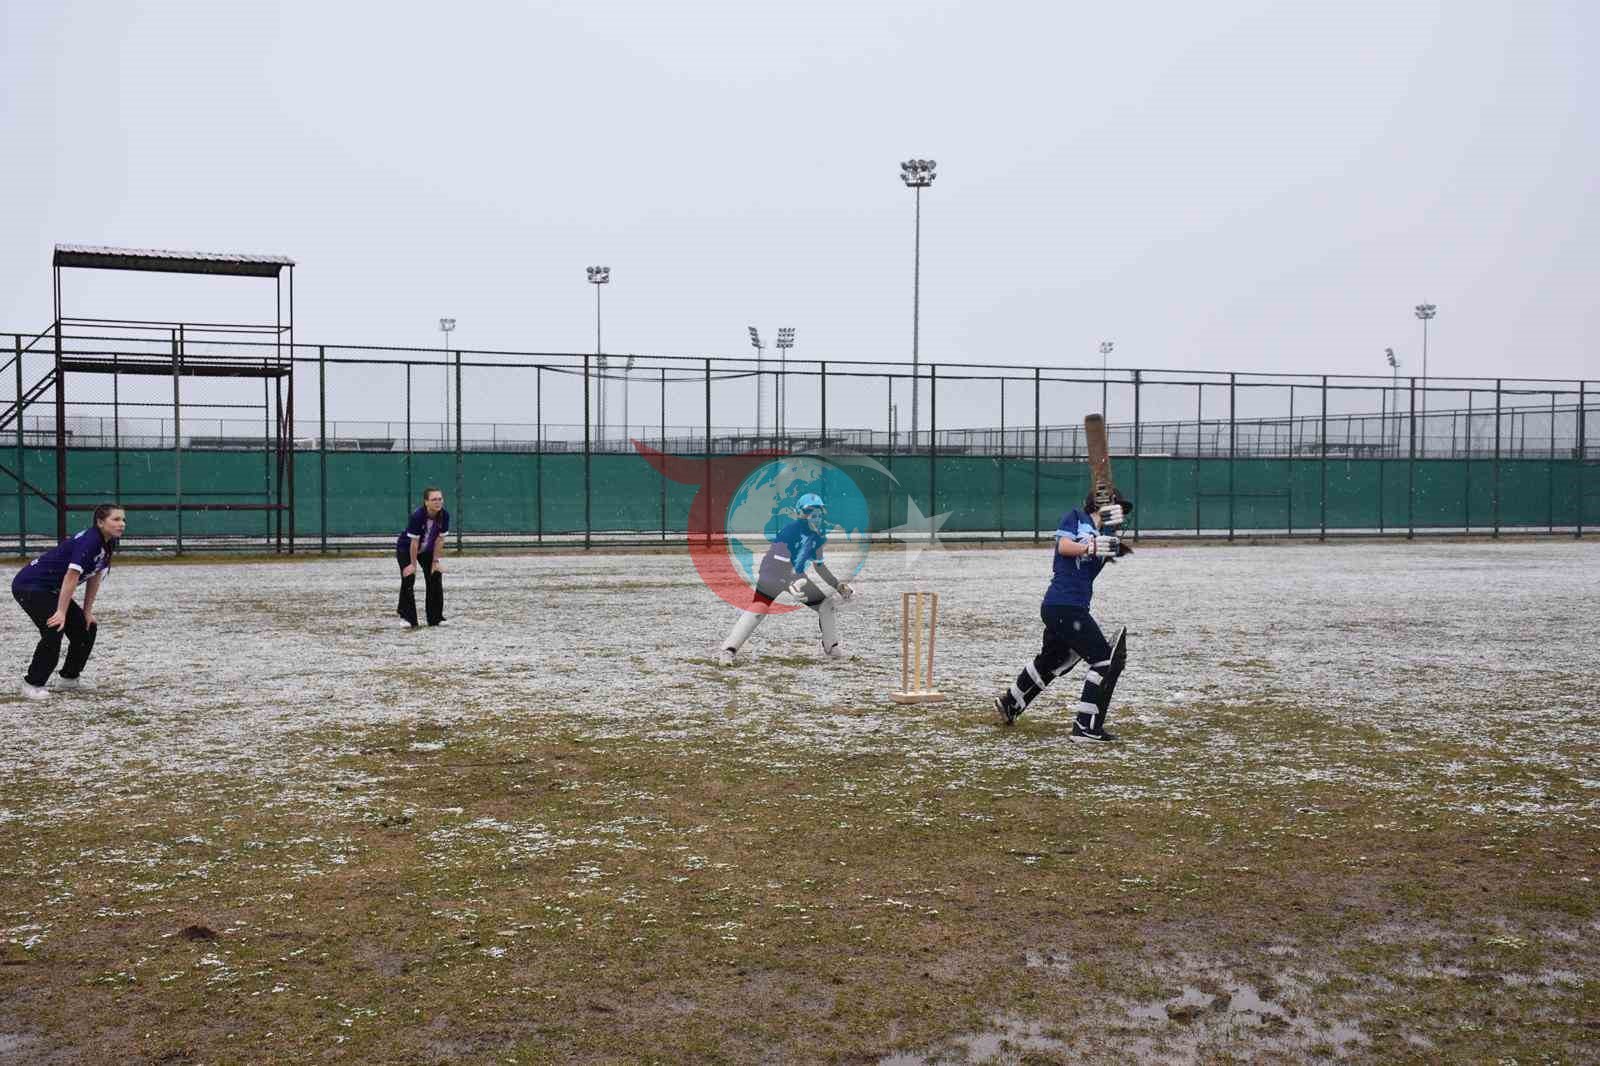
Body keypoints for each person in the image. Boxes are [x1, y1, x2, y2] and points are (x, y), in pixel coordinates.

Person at [992, 490, 1133, 740]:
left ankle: (1010, 703)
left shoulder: (1105, 536)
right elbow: (1064, 546)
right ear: (1100, 505)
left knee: (1053, 660)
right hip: (1063, 605)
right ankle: (1086, 728)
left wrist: (1112, 542)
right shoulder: (1076, 517)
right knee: (1103, 660)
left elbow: (1114, 550)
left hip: (1067, 607)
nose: (1120, 515)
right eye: (1117, 508)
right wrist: (1090, 545)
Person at [719, 493, 854, 664]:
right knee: (759, 609)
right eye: (809, 512)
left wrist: (837, 585)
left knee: (826, 605)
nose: (815, 516)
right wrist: (794, 583)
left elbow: (819, 566)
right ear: (800, 513)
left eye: (819, 512)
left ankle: (832, 648)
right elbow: (780, 563)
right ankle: (728, 650)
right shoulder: (791, 531)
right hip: (773, 573)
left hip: (793, 576)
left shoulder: (817, 537)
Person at [11, 503, 125, 699]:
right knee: (54, 626)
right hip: (29, 585)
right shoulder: (90, 542)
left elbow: (95, 574)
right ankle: (32, 684)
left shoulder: (108, 541)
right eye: (116, 519)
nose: (122, 524)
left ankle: (68, 680)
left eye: (123, 519)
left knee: (86, 627)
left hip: (52, 590)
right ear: (100, 522)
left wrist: (87, 611)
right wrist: (61, 612)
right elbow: (71, 576)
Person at [396, 487, 450, 628]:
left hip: (427, 549)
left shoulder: (444, 515)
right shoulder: (417, 516)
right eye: (434, 499)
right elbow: (414, 543)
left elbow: (440, 540)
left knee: (435, 575)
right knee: (409, 577)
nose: (438, 502)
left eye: (440, 499)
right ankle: (407, 617)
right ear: (426, 502)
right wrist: (412, 565)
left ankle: (435, 618)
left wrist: (435, 561)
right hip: (407, 548)